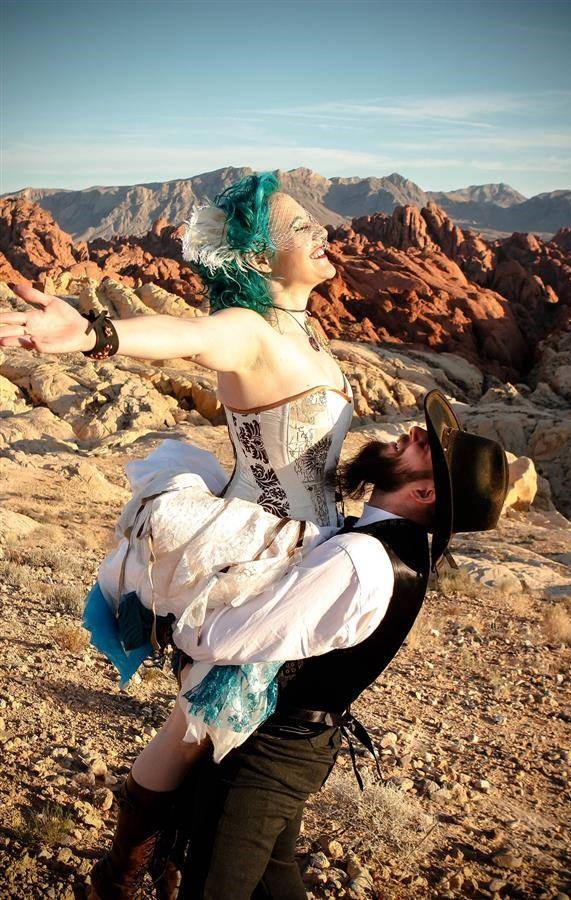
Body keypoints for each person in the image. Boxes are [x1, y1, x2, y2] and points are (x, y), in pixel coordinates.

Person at [0, 173, 354, 891]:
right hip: (257, 563)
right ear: (258, 261)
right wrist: (97, 333)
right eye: (300, 228)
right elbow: (188, 338)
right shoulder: (248, 330)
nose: (322, 231)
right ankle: (130, 869)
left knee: (238, 729)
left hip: (307, 553)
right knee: (199, 725)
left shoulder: (302, 327)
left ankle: (197, 855)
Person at [168, 390, 509, 900]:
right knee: (273, 881)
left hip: (268, 755)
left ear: (424, 494)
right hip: (295, 746)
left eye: (426, 452)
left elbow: (235, 638)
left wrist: (173, 619)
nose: (413, 433)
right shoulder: (386, 546)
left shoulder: (359, 556)